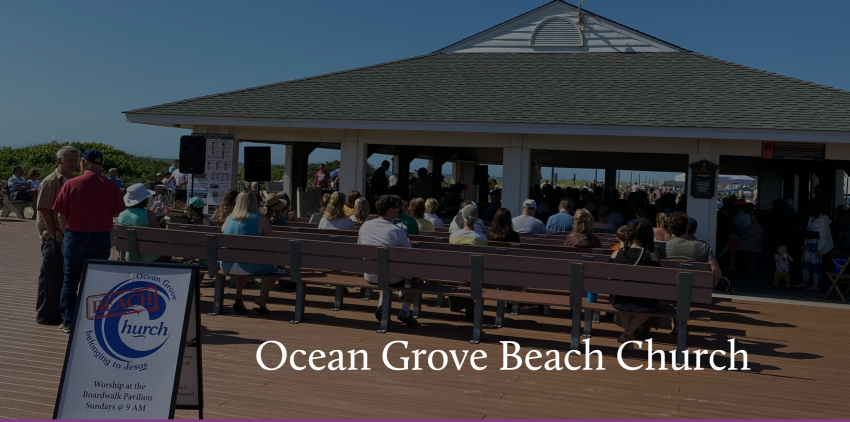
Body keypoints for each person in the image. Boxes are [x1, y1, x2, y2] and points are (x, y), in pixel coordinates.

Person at [53, 149, 126, 333]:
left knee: (70, 281)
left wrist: (65, 233)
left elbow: (61, 215)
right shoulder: (111, 186)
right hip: (100, 237)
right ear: (100, 165)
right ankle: (95, 319)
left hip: (74, 236)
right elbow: (117, 212)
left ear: (83, 163)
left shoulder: (71, 184)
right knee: (98, 281)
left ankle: (68, 320)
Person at [34, 146, 78, 326]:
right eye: (70, 160)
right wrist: (54, 235)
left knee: (61, 276)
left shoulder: (72, 181)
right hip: (53, 237)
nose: (74, 164)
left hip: (66, 236)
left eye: (76, 160)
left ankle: (58, 312)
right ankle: (45, 314)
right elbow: (44, 210)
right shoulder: (51, 181)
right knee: (50, 276)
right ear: (59, 161)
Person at [357, 195, 417, 325]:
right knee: (416, 275)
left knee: (382, 267)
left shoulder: (365, 226)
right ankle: (405, 310)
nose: (399, 210)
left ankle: (381, 305)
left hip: (370, 275)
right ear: (390, 211)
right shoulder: (397, 230)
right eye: (397, 207)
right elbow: (410, 256)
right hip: (391, 277)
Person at [609, 218, 662, 351]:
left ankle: (629, 339)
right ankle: (629, 332)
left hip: (618, 301)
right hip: (644, 304)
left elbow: (610, 278)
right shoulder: (651, 256)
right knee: (654, 303)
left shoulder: (616, 254)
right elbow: (657, 282)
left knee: (623, 296)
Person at [220, 192, 278, 314]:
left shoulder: (229, 218)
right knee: (276, 267)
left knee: (241, 259)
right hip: (250, 266)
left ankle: (239, 294)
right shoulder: (259, 217)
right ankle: (262, 298)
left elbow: (223, 231)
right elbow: (273, 242)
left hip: (227, 265)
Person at [658, 211, 722, 286]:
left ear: (670, 228)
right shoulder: (703, 246)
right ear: (687, 227)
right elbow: (716, 274)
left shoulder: (663, 247)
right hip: (697, 292)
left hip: (667, 291)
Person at [117, 184, 168, 262]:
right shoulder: (148, 214)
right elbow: (158, 236)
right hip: (152, 257)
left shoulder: (121, 215)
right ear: (145, 199)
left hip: (130, 257)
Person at [797, 199, 833, 291]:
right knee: (805, 262)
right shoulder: (811, 217)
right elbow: (809, 231)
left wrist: (820, 249)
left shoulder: (823, 219)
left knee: (816, 263)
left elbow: (824, 236)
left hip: (817, 242)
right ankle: (806, 281)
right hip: (810, 241)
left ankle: (816, 284)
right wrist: (805, 243)